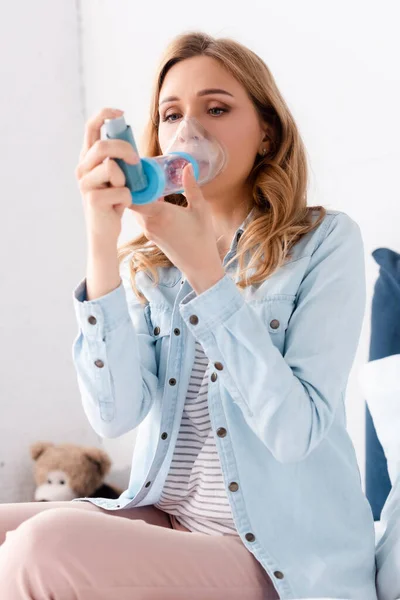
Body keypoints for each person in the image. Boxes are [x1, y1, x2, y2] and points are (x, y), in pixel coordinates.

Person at [0, 31, 377, 600]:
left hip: (276, 555)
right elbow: (114, 412)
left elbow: (294, 433)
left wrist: (207, 271)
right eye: (171, 114)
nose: (189, 131)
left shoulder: (323, 243)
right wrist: (103, 240)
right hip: (171, 520)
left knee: (45, 546)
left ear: (267, 132)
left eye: (217, 109)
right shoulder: (156, 263)